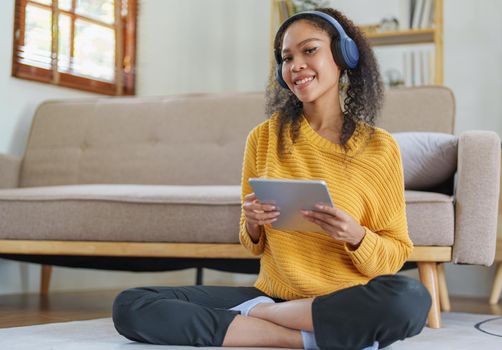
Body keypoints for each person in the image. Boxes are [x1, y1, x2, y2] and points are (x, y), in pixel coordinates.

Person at [112, 8, 431, 350]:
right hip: (271, 295)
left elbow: (395, 252)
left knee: (410, 299)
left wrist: (355, 236)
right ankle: (307, 338)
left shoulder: (380, 147)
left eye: (309, 50)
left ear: (343, 55)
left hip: (347, 299)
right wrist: (252, 223)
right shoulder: (264, 138)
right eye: (286, 57)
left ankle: (263, 322)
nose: (296, 66)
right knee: (131, 305)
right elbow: (253, 244)